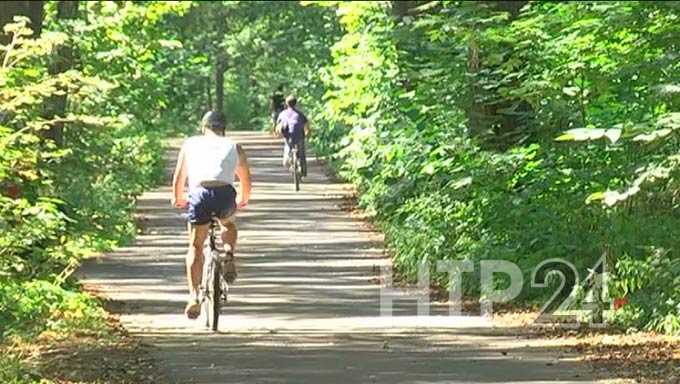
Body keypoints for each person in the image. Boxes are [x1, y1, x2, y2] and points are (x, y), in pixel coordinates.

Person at [171, 111, 252, 319]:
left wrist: (178, 198)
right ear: (223, 129)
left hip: (200, 194)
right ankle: (229, 255)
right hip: (225, 194)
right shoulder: (234, 145)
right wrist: (243, 198)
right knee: (228, 225)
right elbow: (245, 178)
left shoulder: (190, 144)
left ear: (203, 127)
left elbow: (180, 176)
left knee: (196, 246)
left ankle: (193, 297)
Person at [276, 95, 310, 177]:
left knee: (286, 159)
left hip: (289, 137)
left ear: (286, 104)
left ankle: (291, 165)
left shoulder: (283, 114)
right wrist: (307, 135)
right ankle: (303, 171)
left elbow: (278, 127)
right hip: (300, 137)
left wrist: (278, 134)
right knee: (301, 154)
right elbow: (306, 127)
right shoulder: (300, 114)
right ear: (295, 104)